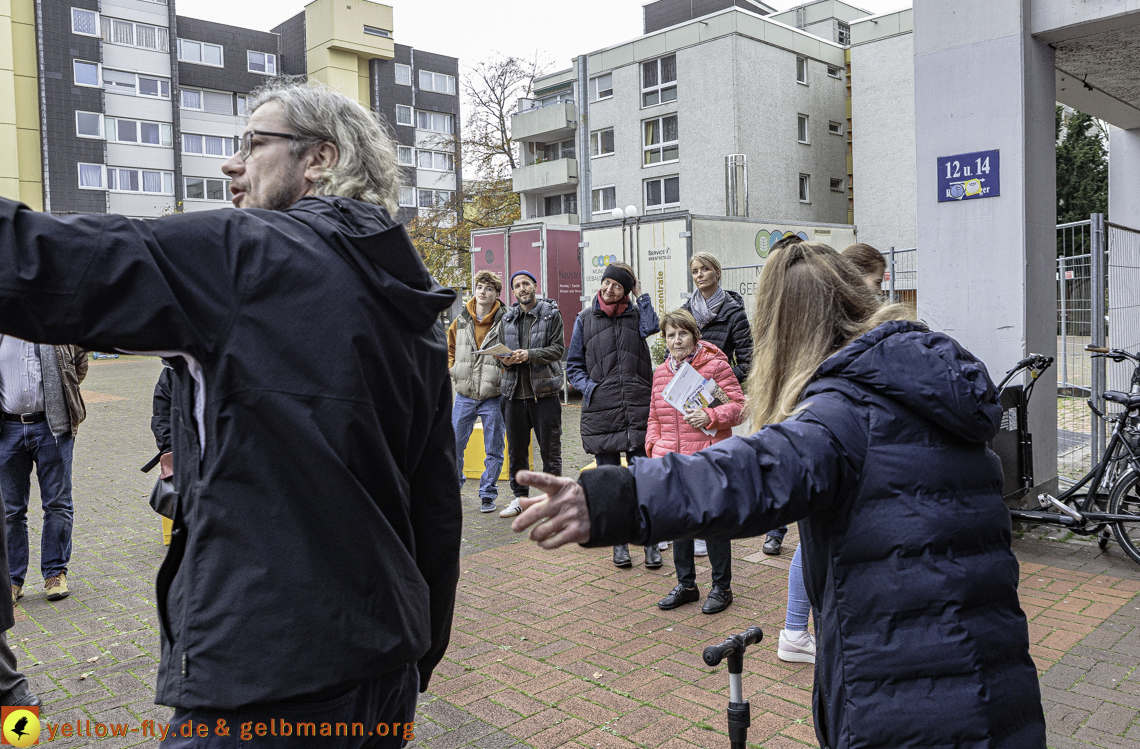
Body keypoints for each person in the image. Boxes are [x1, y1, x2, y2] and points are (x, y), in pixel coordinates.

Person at [0, 78, 461, 745]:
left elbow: (45, 264)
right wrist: (419, 655)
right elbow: (435, 508)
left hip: (265, 676)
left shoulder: (248, 253)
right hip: (383, 669)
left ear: (320, 158)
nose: (231, 163)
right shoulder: (410, 299)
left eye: (253, 143)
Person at [511, 241, 1046, 748]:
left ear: (784, 329)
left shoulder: (842, 412)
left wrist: (614, 500)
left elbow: (747, 474)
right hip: (1000, 686)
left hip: (905, 699)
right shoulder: (933, 385)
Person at [681, 251, 788, 557]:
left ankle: (720, 526)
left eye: (705, 269)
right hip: (687, 396)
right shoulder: (686, 311)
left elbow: (750, 360)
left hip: (717, 396)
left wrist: (719, 377)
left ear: (717, 272)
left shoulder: (733, 313)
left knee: (718, 463)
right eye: (695, 271)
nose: (699, 275)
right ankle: (697, 526)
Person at [646, 311, 743, 614]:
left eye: (682, 333)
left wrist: (711, 415)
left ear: (695, 336)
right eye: (670, 335)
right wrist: (653, 448)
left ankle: (721, 588)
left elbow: (739, 407)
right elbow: (653, 416)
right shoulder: (661, 372)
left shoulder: (714, 367)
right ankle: (686, 584)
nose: (677, 340)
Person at [566, 261, 661, 569]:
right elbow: (573, 366)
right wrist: (590, 389)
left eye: (617, 285)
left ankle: (649, 541)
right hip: (602, 411)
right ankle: (619, 543)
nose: (609, 289)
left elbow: (653, 326)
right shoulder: (584, 319)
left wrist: (641, 294)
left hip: (637, 407)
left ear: (626, 291)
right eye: (607, 282)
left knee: (641, 478)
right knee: (610, 482)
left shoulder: (636, 316)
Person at [0, 337, 87, 603]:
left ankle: (54, 573)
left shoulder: (55, 325)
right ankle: (12, 580)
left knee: (58, 503)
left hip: (53, 427)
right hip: (7, 430)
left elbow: (79, 365)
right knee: (10, 509)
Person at [496, 270, 565, 519]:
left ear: (535, 286)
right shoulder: (506, 319)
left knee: (550, 449)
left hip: (544, 394)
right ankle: (520, 498)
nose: (522, 288)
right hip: (513, 395)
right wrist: (505, 360)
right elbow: (499, 356)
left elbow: (558, 349)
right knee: (516, 450)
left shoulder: (551, 315)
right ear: (513, 292)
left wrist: (530, 355)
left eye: (526, 283)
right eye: (517, 285)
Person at [448, 270, 507, 513]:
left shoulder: (506, 320)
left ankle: (487, 494)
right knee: (453, 445)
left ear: (496, 294)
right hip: (464, 394)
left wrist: (504, 374)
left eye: (489, 289)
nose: (483, 292)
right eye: (480, 287)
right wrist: (451, 369)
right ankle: (454, 487)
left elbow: (511, 352)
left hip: (493, 395)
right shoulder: (461, 320)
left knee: (494, 448)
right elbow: (449, 348)